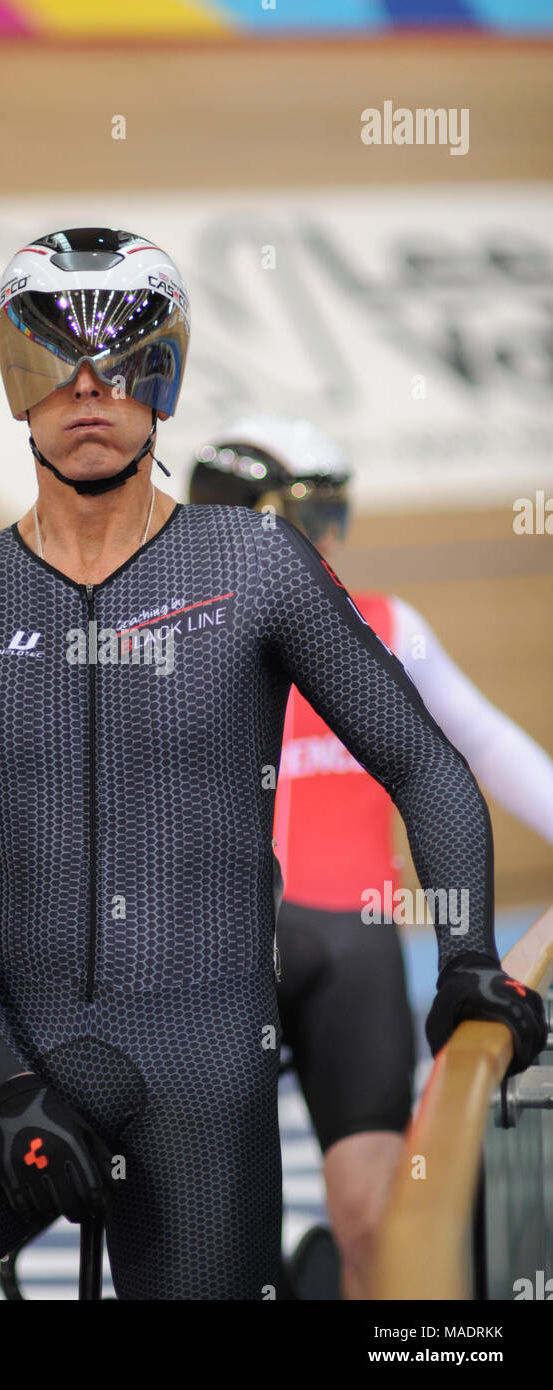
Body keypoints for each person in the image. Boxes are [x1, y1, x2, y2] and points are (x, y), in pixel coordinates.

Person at [0, 227, 547, 1301]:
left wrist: (466, 960)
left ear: (165, 379)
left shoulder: (255, 566)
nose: (87, 390)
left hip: (200, 1063)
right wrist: (4, 1080)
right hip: (3, 1039)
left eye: (123, 360)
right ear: (15, 383)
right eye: (54, 360)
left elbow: (424, 763)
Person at [190, 415, 553, 1298]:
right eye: (314, 521)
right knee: (201, 1235)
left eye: (334, 521)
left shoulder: (384, 624)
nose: (328, 544)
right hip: (219, 952)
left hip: (349, 946)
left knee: (380, 1222)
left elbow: (490, 748)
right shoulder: (175, 632)